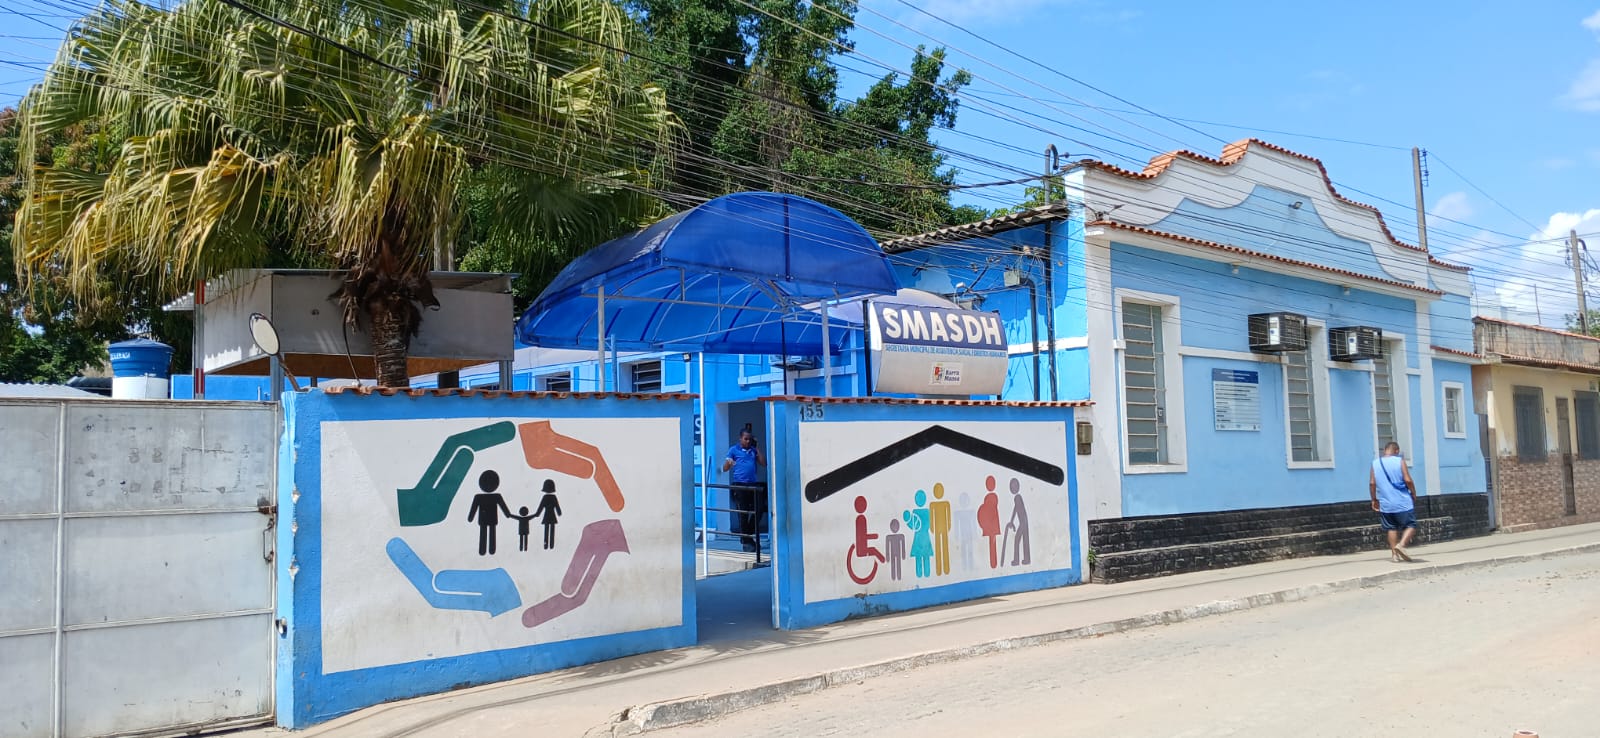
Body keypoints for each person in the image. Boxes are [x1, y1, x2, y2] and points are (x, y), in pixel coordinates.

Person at [1370, 442, 1419, 562]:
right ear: (1396, 451)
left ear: (1385, 450)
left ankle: (1394, 555)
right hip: (1402, 502)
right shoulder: (1399, 461)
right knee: (1411, 525)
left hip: (1386, 503)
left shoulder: (1375, 463)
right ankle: (1401, 545)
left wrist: (1374, 499)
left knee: (1391, 528)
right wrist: (1413, 492)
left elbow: (1372, 483)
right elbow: (1408, 480)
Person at [721, 429, 766, 552]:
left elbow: (763, 463)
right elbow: (724, 468)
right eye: (745, 439)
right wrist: (729, 463)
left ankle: (747, 534)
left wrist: (757, 448)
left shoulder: (753, 450)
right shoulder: (733, 450)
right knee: (743, 513)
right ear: (740, 438)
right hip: (740, 485)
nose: (748, 441)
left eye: (750, 439)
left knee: (759, 509)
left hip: (752, 484)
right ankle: (746, 540)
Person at [467, 470, 512, 556]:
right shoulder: (496, 496)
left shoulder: (479, 497)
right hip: (492, 519)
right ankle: (491, 550)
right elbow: (503, 507)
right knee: (491, 534)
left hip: (483, 519)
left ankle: (483, 550)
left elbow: (473, 508)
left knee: (483, 534)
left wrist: (470, 518)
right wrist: (507, 514)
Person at [533, 479, 563, 550]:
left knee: (546, 531)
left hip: (546, 516)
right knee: (552, 531)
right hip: (552, 516)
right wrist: (559, 512)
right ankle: (551, 545)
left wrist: (537, 514)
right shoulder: (554, 497)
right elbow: (557, 506)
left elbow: (541, 507)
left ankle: (546, 545)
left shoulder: (545, 497)